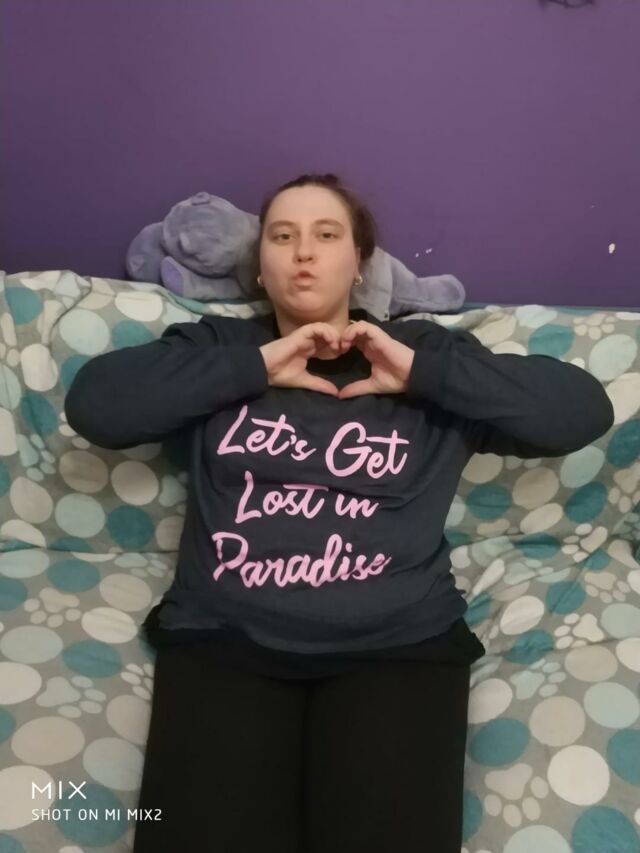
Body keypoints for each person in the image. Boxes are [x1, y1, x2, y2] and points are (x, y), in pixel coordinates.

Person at [64, 172, 614, 853]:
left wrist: (421, 374)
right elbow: (96, 406)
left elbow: (582, 411)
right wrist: (256, 367)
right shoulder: (217, 349)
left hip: (399, 648)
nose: (303, 252)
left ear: (359, 264)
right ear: (259, 268)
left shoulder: (426, 353)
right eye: (282, 236)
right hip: (223, 642)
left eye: (326, 235)